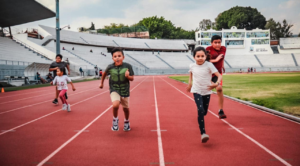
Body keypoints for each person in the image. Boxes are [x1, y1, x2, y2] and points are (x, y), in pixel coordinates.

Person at [186, 46, 222, 143]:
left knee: (205, 112)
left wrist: (216, 83)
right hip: (196, 90)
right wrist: (189, 84)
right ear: (194, 57)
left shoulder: (209, 65)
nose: (200, 58)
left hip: (207, 91)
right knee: (200, 110)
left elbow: (219, 76)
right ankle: (203, 133)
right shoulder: (192, 66)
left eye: (202, 56)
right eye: (198, 56)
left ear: (206, 56)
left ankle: (202, 116)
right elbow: (191, 75)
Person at [99, 48, 134, 131]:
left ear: (123, 57)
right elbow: (104, 74)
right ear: (112, 58)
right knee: (115, 105)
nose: (117, 58)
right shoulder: (110, 67)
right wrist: (102, 83)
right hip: (114, 88)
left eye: (119, 56)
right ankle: (115, 120)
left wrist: (127, 76)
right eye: (115, 56)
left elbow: (132, 78)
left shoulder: (128, 66)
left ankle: (126, 121)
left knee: (125, 108)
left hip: (125, 90)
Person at [206, 35, 227, 119]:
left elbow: (223, 57)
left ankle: (221, 110)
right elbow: (205, 60)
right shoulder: (208, 49)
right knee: (205, 90)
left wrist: (222, 65)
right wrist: (216, 60)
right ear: (211, 43)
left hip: (218, 73)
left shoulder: (224, 49)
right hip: (208, 73)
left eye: (219, 42)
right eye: (215, 43)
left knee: (219, 89)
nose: (218, 44)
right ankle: (202, 105)